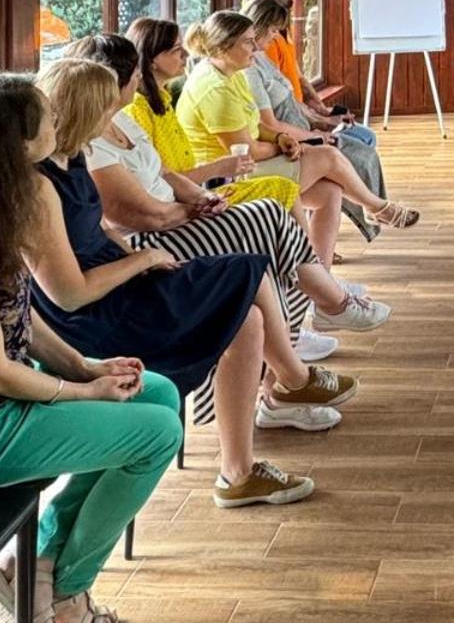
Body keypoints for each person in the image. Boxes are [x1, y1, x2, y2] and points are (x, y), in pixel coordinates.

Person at [0, 74, 183, 623]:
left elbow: (18, 313)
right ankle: (67, 593)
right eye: (47, 116)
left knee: (156, 392)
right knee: (157, 433)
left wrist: (82, 366)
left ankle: (42, 564)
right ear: (21, 143)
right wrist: (81, 393)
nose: (57, 121)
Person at [33, 59, 356, 509]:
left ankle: (238, 472)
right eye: (106, 108)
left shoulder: (74, 158)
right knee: (248, 268)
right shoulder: (36, 188)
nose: (112, 116)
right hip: (98, 314)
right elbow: (69, 295)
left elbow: (101, 228)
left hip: (126, 277)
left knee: (247, 314)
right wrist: (145, 258)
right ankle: (292, 378)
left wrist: (138, 260)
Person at [74, 33, 390, 367]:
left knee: (275, 216)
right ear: (112, 81)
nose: (139, 76)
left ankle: (308, 322)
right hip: (153, 237)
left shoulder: (122, 119)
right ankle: (327, 306)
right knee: (268, 218)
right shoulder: (96, 143)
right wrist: (194, 209)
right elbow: (142, 217)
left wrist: (202, 197)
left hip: (180, 210)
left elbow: (165, 172)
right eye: (133, 71)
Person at [177, 14, 419, 267]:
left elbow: (255, 124)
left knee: (329, 192)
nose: (256, 47)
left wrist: (281, 137)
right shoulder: (215, 89)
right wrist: (292, 144)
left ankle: (321, 276)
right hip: (225, 180)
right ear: (225, 47)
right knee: (328, 156)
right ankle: (376, 207)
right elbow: (248, 152)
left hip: (248, 166)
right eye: (248, 42)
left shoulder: (231, 73)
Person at [125, 16, 301, 219]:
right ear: (152, 60)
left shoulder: (163, 99)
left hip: (198, 189)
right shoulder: (138, 110)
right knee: (287, 186)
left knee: (304, 186)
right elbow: (158, 181)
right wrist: (216, 169)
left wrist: (279, 137)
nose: (186, 54)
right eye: (176, 49)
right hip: (183, 204)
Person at [242, 0, 390, 223]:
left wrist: (324, 120)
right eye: (272, 30)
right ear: (259, 26)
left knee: (365, 146)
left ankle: (375, 211)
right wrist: (314, 136)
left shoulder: (262, 59)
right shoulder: (248, 69)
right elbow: (270, 124)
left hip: (305, 131)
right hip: (294, 142)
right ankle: (376, 209)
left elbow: (293, 99)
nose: (275, 36)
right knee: (361, 157)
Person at [240, 0, 336, 120]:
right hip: (289, 120)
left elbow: (299, 77)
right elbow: (272, 101)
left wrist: (321, 108)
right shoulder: (262, 42)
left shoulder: (281, 30)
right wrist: (321, 122)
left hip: (301, 115)